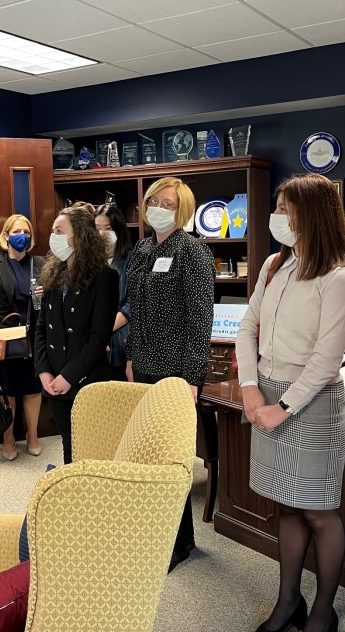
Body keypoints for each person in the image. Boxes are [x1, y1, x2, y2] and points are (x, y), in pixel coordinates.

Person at [236, 174, 345, 632]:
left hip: (311, 405)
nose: (279, 218)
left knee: (318, 511)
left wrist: (282, 408)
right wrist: (250, 387)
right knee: (287, 506)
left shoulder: (340, 276)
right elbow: (248, 328)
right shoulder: (274, 264)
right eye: (279, 207)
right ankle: (288, 602)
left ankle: (323, 611)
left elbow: (327, 360)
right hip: (266, 392)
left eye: (287, 209)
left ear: (313, 214)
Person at [125, 176, 214, 572]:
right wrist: (130, 357)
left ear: (182, 211)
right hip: (143, 365)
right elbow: (135, 312)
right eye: (154, 200)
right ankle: (166, 534)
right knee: (149, 457)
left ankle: (179, 544)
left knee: (170, 461)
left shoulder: (193, 252)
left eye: (168, 203)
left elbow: (200, 320)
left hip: (177, 371)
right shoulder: (142, 250)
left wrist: (194, 377)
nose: (159, 207)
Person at [34, 206, 119, 465]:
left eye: (60, 231)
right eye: (52, 231)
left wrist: (68, 377)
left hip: (85, 380)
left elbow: (99, 336)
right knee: (68, 444)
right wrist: (44, 371)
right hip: (54, 379)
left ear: (80, 236)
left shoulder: (105, 278)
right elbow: (40, 328)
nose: (54, 237)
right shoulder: (53, 274)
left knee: (90, 449)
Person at [0, 214, 44, 460]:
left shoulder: (40, 263)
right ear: (6, 236)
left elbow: (48, 303)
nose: (21, 236)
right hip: (3, 337)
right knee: (7, 390)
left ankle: (33, 435)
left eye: (25, 232)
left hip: (33, 337)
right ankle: (8, 438)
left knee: (33, 388)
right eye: (16, 231)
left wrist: (44, 294)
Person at [95, 203, 134, 378]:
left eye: (108, 228)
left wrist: (103, 331)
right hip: (93, 346)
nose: (102, 233)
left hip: (121, 339)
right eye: (97, 228)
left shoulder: (131, 259)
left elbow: (132, 303)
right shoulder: (88, 263)